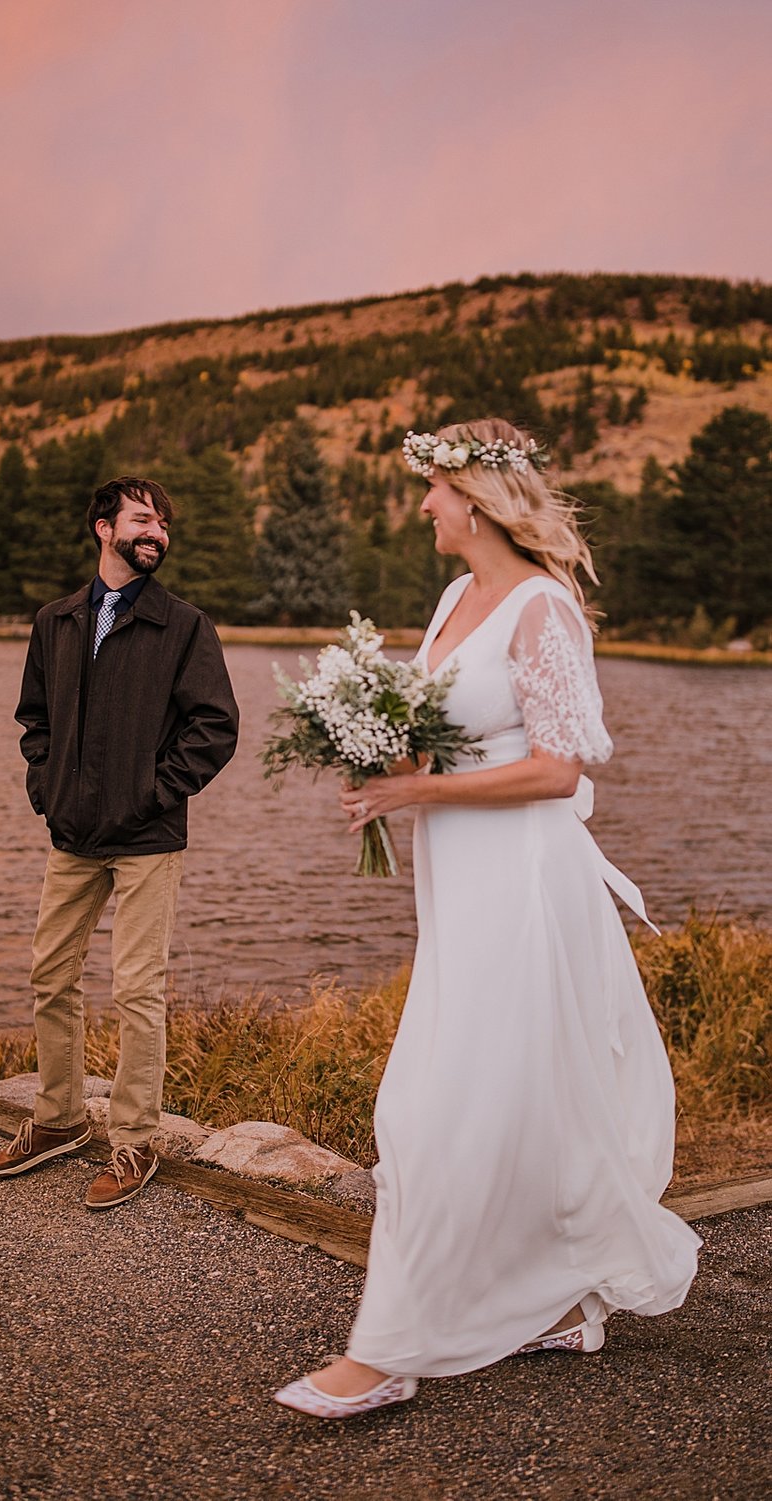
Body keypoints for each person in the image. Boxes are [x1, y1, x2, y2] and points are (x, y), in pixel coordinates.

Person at [275, 419, 700, 1418]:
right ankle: (561, 1297)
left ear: (475, 497)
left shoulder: (544, 609)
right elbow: (443, 738)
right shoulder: (454, 596)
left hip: (521, 881)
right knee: (521, 1094)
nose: (422, 506)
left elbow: (557, 770)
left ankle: (386, 1350)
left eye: (432, 490)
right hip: (458, 884)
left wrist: (415, 793)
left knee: (429, 1108)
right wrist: (388, 774)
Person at [0, 476, 239, 1208]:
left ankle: (134, 1141)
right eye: (142, 519)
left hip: (148, 837)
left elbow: (215, 727)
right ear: (103, 527)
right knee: (50, 975)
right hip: (71, 834)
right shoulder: (55, 620)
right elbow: (34, 720)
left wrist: (153, 793)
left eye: (163, 522)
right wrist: (47, 787)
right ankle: (59, 1119)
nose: (156, 531)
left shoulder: (184, 625)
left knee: (136, 988)